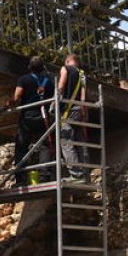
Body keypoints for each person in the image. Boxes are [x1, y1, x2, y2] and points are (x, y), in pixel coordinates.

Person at [10, 56, 54, 186]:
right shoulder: (48, 82)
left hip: (27, 116)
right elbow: (53, 98)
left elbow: (17, 97)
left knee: (21, 147)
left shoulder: (24, 79)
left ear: (29, 67)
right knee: (44, 147)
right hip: (43, 116)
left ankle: (21, 179)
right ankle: (44, 177)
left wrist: (7, 104)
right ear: (42, 68)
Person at [57, 53, 88, 182]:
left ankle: (76, 175)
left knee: (66, 142)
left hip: (68, 110)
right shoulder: (82, 74)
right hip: (79, 110)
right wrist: (84, 113)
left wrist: (54, 102)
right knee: (80, 141)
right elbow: (83, 96)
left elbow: (61, 87)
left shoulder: (65, 68)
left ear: (68, 61)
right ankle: (85, 173)